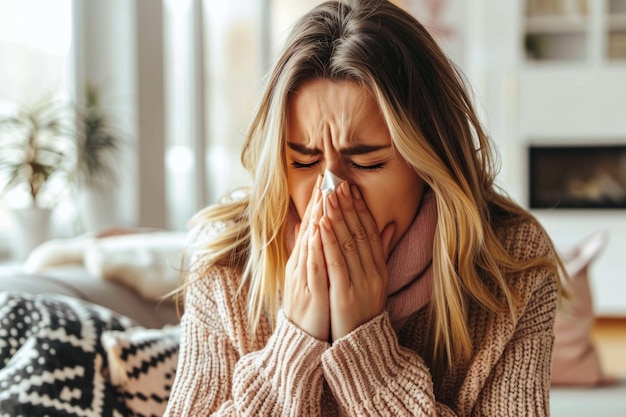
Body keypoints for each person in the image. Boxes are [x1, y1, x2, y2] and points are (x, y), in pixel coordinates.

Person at [164, 0, 565, 415]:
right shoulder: (226, 263)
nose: (330, 193)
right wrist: (294, 345)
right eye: (304, 160)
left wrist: (367, 357)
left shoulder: (513, 265)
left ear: (429, 163)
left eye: (367, 161)